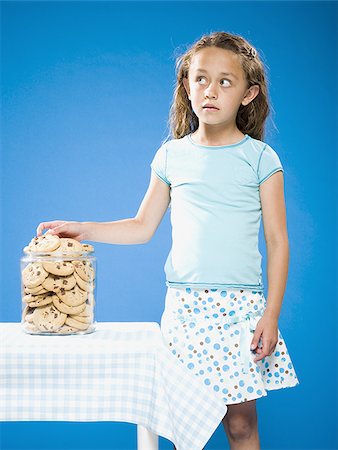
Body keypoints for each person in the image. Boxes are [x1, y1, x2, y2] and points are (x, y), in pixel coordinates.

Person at [36, 31, 300, 450]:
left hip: (239, 308)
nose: (210, 90)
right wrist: (84, 228)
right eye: (200, 79)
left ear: (248, 94)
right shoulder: (171, 155)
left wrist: (270, 315)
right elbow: (142, 226)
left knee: (241, 424)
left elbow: (278, 241)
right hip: (184, 308)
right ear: (186, 86)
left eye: (225, 82)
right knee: (183, 427)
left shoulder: (260, 159)